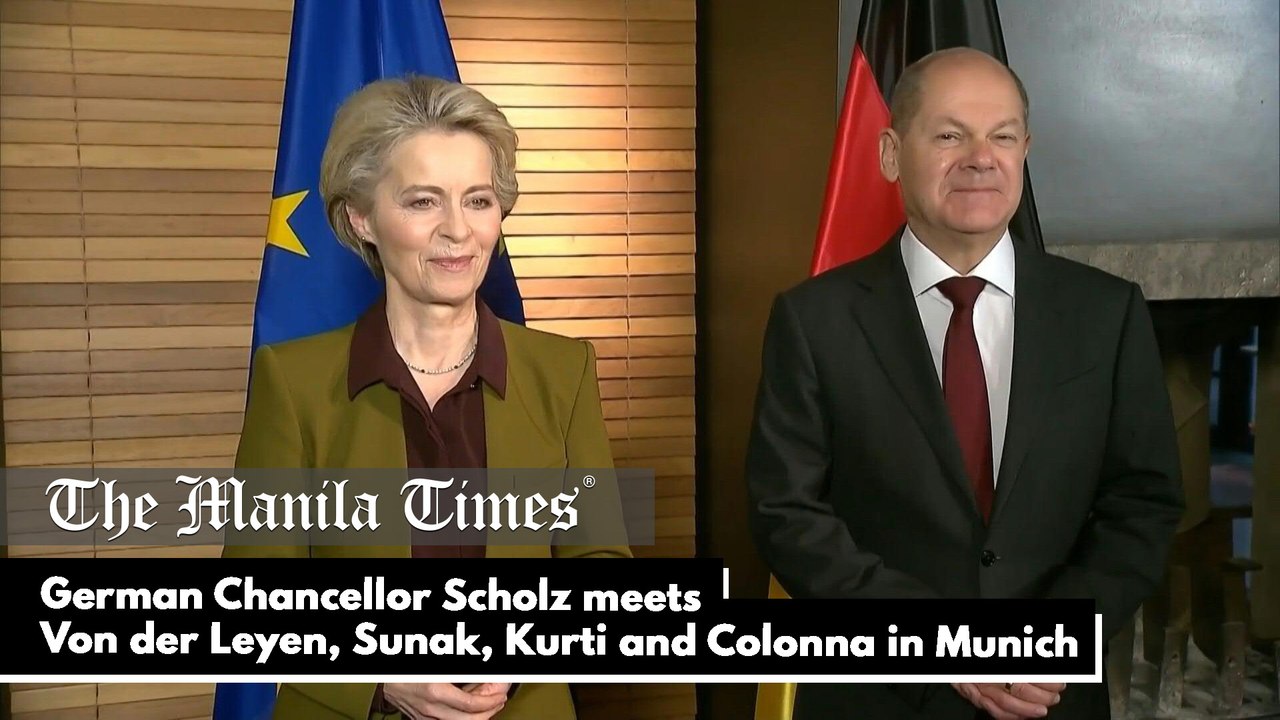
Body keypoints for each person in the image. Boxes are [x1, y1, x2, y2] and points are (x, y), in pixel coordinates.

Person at [745, 47, 1183, 719]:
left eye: (1002, 136)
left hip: (1050, 695)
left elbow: (1143, 506)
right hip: (877, 694)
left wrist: (1049, 643)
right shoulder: (813, 319)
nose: (981, 157)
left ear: (1025, 150)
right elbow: (788, 514)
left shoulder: (1107, 313)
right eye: (949, 134)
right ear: (891, 153)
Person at [225, 75, 632, 720]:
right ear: (361, 217)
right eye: (422, 201)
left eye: (478, 200)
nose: (457, 232)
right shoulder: (293, 382)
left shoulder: (565, 371)